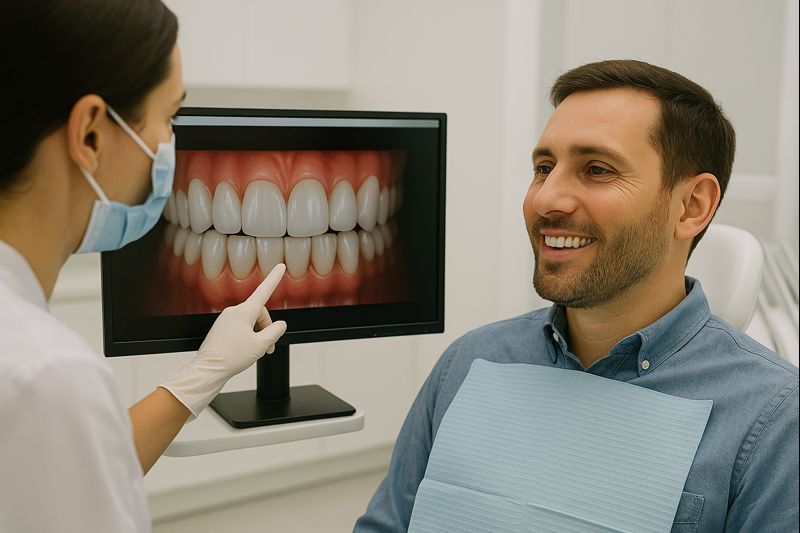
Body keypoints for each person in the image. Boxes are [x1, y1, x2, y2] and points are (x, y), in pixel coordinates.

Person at [354, 60, 799, 532]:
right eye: (544, 168)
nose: (547, 199)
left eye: (597, 170)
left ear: (692, 206)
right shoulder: (469, 362)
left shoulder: (773, 419)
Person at [0, 2, 287, 531]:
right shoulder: (47, 376)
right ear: (90, 134)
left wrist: (200, 376)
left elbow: (69, 475)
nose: (171, 145)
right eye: (170, 117)